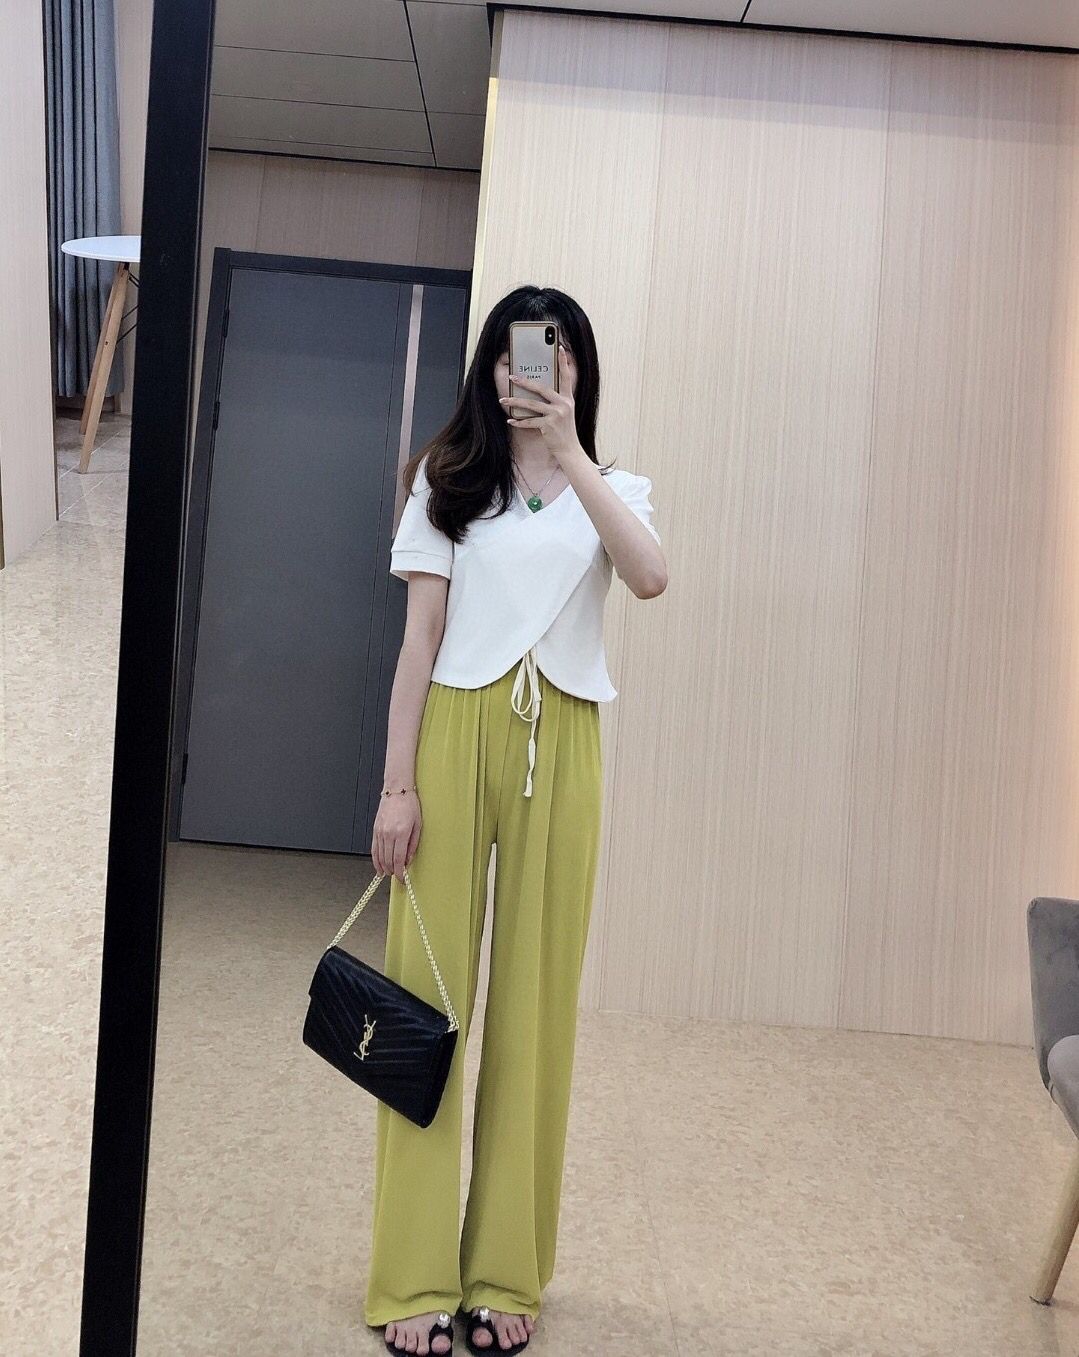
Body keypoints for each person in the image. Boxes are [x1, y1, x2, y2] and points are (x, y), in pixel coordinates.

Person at [366, 285, 668, 1356]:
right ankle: (410, 1274)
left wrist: (573, 453)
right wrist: (396, 786)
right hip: (453, 734)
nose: (525, 371)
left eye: (548, 355)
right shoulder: (447, 480)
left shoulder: (613, 488)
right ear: (487, 370)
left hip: (564, 739)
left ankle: (504, 1272)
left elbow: (650, 577)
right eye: (508, 355)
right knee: (423, 1001)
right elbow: (418, 641)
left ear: (577, 369)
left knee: (535, 1010)